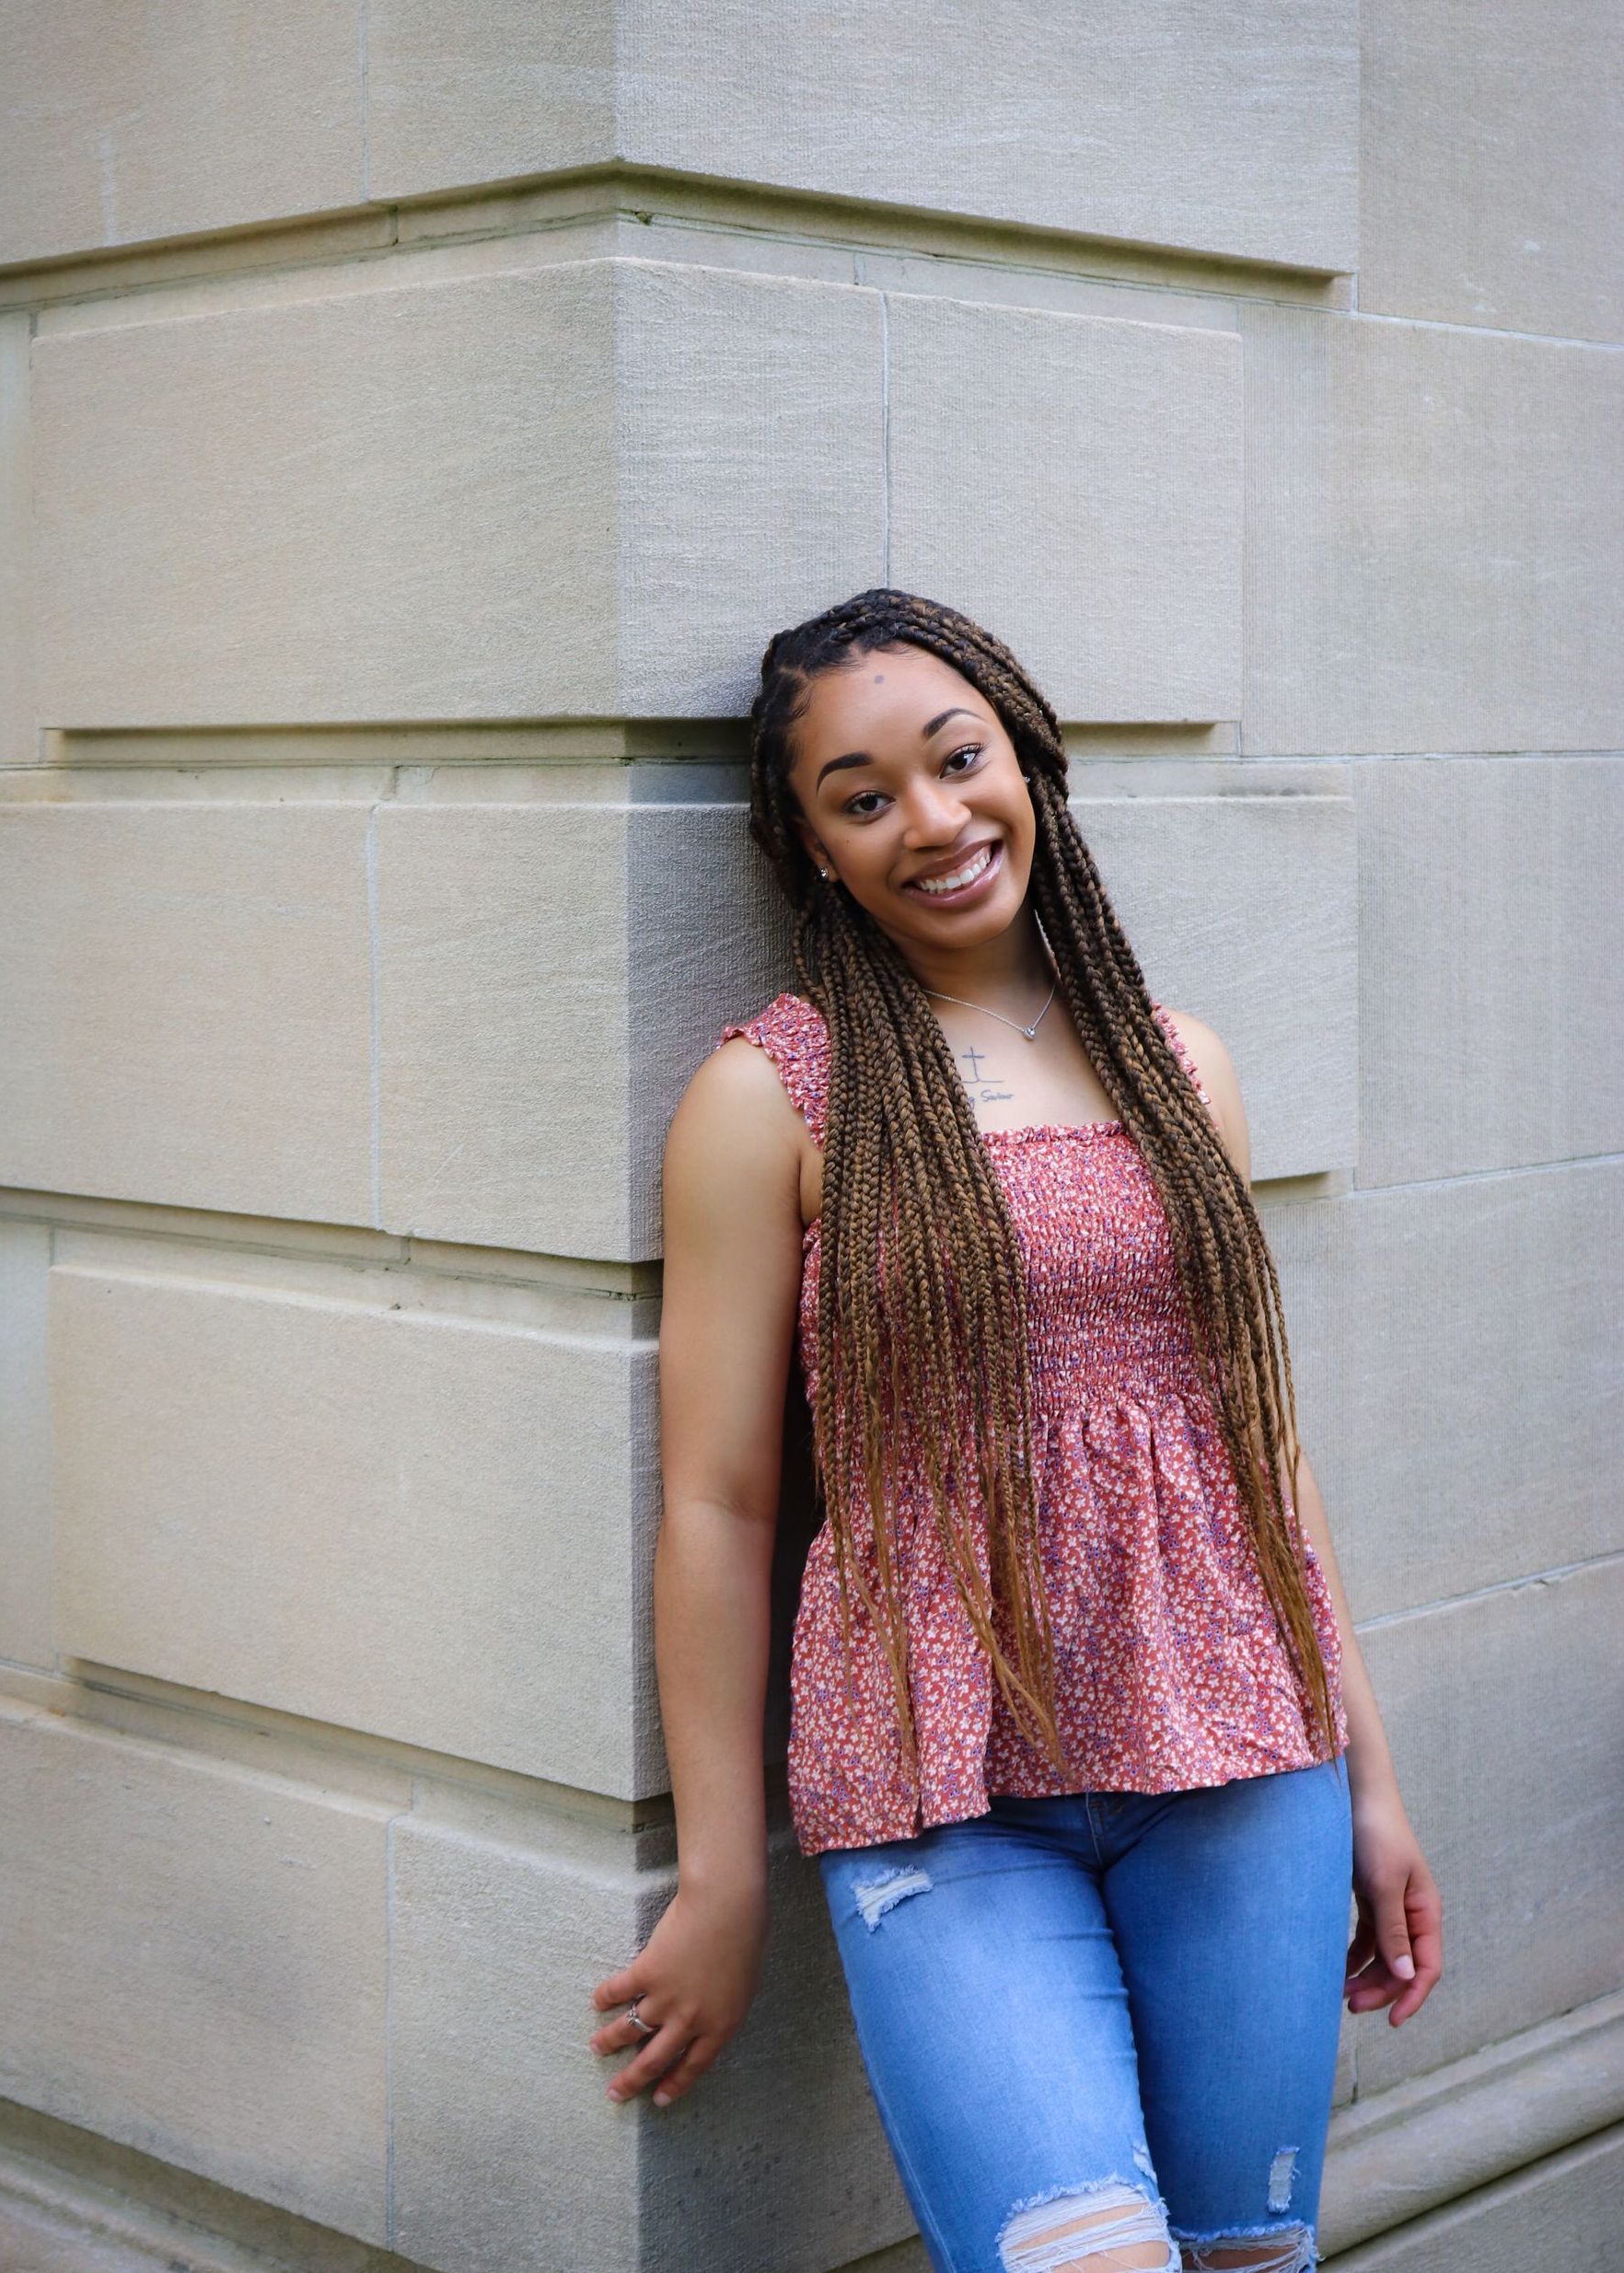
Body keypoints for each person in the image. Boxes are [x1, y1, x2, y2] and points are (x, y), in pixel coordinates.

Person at [588, 589, 1443, 2272]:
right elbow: (718, 1498)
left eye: (955, 758)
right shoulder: (771, 1095)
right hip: (940, 1793)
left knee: (1242, 2259)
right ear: (811, 848)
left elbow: (1256, 1447)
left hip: (1244, 1767)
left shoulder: (1176, 1061)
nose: (932, 820)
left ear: (1024, 760)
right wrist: (717, 1872)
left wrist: (1373, 1776)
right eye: (861, 795)